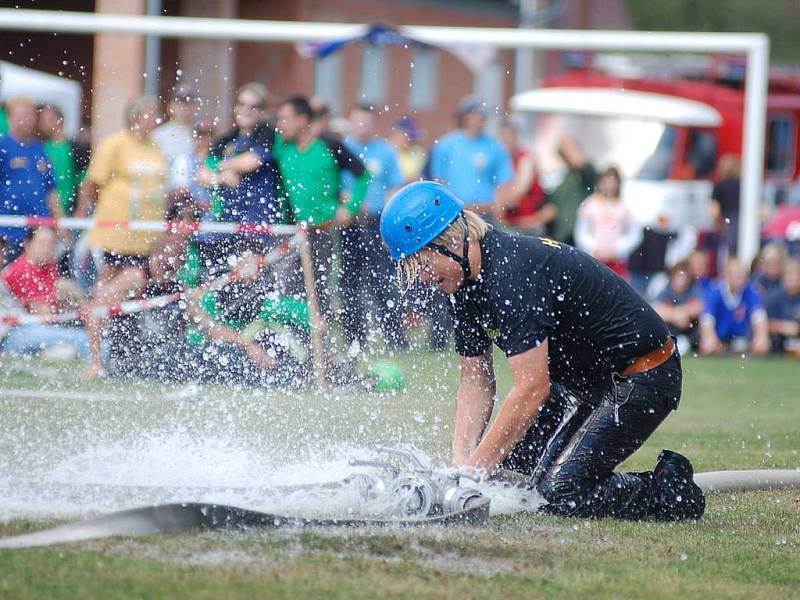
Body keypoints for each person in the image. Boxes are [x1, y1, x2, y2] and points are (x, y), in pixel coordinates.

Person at [379, 181, 705, 521]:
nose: (424, 278)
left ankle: (671, 489)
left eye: (424, 264)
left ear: (453, 240)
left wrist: (470, 475)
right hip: (586, 382)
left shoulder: (511, 273)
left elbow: (532, 389)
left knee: (562, 494)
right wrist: (460, 467)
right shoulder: (463, 285)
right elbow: (475, 381)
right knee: (510, 477)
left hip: (643, 377)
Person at [76, 95, 167, 379]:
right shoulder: (115, 144)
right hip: (114, 238)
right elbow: (91, 184)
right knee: (107, 296)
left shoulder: (155, 147)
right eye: (150, 114)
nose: (155, 119)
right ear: (136, 116)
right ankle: (95, 361)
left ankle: (111, 358)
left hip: (145, 242)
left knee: (118, 301)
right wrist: (83, 215)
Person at [272, 94, 369, 328]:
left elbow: (363, 176)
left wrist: (351, 207)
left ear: (302, 119)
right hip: (292, 233)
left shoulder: (329, 144)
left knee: (322, 294)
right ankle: (294, 353)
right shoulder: (282, 147)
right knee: (287, 292)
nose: (280, 125)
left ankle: (323, 356)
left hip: (325, 233)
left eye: (285, 119)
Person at [197, 82, 286, 275]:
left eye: (253, 106)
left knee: (248, 283)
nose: (246, 110)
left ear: (261, 111)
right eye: (242, 104)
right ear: (235, 107)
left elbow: (252, 161)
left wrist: (223, 166)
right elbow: (202, 173)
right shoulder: (225, 139)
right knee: (218, 286)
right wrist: (220, 178)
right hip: (224, 226)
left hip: (255, 226)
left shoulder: (267, 134)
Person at [341, 104, 407, 351]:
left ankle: (396, 339)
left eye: (367, 122)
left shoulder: (386, 152)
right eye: (358, 121)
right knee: (350, 284)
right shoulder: (342, 148)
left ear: (374, 124)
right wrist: (354, 203)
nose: (362, 126)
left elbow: (394, 187)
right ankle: (355, 340)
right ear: (350, 122)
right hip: (350, 225)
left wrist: (389, 223)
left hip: (378, 224)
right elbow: (336, 186)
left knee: (383, 282)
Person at [0, 227, 88, 357]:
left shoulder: (50, 267)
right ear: (27, 244)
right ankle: (104, 353)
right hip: (17, 332)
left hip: (32, 328)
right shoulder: (20, 270)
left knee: (71, 339)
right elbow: (44, 312)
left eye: (51, 243)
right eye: (42, 243)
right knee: (80, 339)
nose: (47, 248)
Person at [428, 96, 514, 223]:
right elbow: (438, 180)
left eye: (483, 115)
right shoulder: (446, 145)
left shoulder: (495, 146)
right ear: (466, 117)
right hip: (456, 212)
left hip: (485, 213)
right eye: (477, 114)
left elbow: (504, 182)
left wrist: (499, 209)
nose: (481, 119)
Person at [0, 96, 62, 260]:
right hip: (8, 229)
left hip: (39, 229)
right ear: (10, 117)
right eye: (20, 117)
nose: (25, 121)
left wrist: (60, 222)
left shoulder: (40, 149)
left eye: (29, 116)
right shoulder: (3, 146)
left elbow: (51, 189)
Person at [574, 166, 642, 279]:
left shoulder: (624, 207)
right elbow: (581, 231)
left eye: (613, 182)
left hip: (617, 262)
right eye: (606, 182)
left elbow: (635, 235)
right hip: (593, 258)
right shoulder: (591, 204)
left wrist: (618, 249)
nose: (609, 186)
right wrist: (594, 248)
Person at [496, 117, 555, 236]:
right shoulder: (499, 161)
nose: (507, 140)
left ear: (516, 136)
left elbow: (518, 191)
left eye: (510, 135)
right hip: (510, 224)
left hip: (528, 224)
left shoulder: (526, 158)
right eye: (504, 136)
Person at [699, 257, 770, 356]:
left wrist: (761, 337)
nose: (741, 281)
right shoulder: (714, 292)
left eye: (743, 277)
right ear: (727, 276)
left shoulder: (752, 292)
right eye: (738, 277)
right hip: (720, 340)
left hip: (743, 340)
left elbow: (759, 317)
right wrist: (710, 338)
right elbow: (707, 320)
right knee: (708, 345)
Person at [549, 135, 597, 246]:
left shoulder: (586, 171)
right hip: (562, 235)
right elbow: (553, 207)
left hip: (580, 236)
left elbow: (579, 163)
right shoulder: (565, 177)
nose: (566, 153)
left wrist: (568, 145)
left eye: (569, 148)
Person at [151, 83, 200, 188]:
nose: (184, 107)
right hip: (167, 195)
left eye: (188, 102)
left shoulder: (202, 134)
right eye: (180, 102)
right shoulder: (158, 135)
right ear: (171, 105)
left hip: (196, 197)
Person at [38, 103, 82, 217]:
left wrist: (81, 209)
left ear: (59, 120)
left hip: (70, 209)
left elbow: (84, 179)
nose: (43, 123)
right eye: (42, 119)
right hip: (49, 210)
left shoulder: (74, 147)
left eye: (48, 119)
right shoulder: (42, 148)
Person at [652, 261, 704, 354]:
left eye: (684, 277)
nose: (681, 281)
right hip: (671, 331)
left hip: (688, 332)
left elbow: (699, 307)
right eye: (678, 277)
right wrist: (674, 316)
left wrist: (683, 313)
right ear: (672, 277)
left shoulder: (692, 290)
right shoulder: (667, 291)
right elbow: (656, 309)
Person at [766, 258, 800, 354]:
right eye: (789, 276)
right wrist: (782, 327)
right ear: (783, 279)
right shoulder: (774, 297)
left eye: (795, 277)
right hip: (778, 343)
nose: (792, 281)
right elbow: (765, 323)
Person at [709, 154, 741, 257]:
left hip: (727, 219)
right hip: (741, 219)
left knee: (727, 250)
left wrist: (720, 223)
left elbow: (714, 209)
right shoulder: (743, 185)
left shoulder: (719, 185)